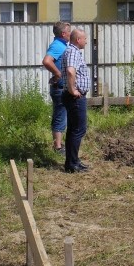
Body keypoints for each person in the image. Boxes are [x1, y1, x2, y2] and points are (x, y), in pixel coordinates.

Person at [61, 28, 91, 173]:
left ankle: (73, 161)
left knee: (74, 130)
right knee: (78, 129)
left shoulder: (71, 51)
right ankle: (72, 164)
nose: (86, 41)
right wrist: (73, 90)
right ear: (78, 40)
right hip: (75, 97)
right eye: (84, 38)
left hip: (73, 96)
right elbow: (71, 71)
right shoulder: (73, 51)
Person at [41, 21, 71, 154]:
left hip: (60, 86)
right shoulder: (58, 45)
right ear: (63, 33)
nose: (70, 34)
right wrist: (58, 73)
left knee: (61, 115)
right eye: (69, 32)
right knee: (60, 115)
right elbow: (47, 61)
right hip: (59, 88)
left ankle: (58, 143)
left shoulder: (61, 44)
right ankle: (58, 147)